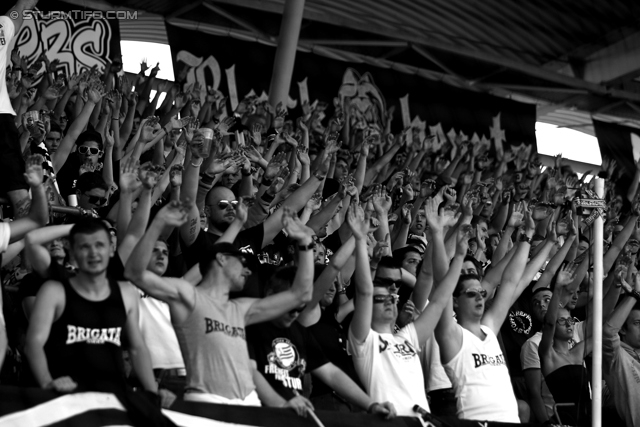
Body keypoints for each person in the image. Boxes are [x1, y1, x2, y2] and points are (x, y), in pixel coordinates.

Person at [125, 201, 315, 405]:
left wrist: (305, 245)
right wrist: (158, 223)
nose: (248, 271)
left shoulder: (241, 309)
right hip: (206, 402)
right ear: (222, 259)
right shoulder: (187, 296)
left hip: (249, 404)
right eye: (242, 263)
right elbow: (134, 273)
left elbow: (301, 294)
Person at [348, 199, 469, 417]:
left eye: (392, 297)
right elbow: (365, 291)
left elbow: (441, 297)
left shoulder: (407, 337)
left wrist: (456, 253)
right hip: (388, 422)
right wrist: (359, 240)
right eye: (380, 298)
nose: (389, 300)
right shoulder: (364, 340)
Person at [24, 219, 157, 395]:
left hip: (112, 398)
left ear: (111, 250)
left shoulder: (127, 293)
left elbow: (137, 347)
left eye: (99, 245)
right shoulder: (54, 291)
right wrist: (48, 383)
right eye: (85, 246)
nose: (93, 253)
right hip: (66, 397)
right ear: (72, 251)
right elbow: (33, 343)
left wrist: (152, 394)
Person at [247, 266, 395, 418]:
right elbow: (250, 372)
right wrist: (281, 404)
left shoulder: (299, 332)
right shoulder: (250, 327)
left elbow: (331, 373)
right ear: (271, 295)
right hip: (259, 416)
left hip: (292, 417)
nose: (296, 314)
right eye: (292, 308)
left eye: (301, 308)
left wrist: (371, 405)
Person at [435, 203, 534, 423]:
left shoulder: (489, 328)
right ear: (455, 302)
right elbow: (441, 281)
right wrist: (439, 234)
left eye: (481, 292)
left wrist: (527, 237)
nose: (480, 297)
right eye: (471, 294)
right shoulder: (452, 336)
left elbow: (509, 282)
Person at [538, 262, 591, 426]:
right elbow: (549, 324)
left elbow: (603, 328)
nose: (569, 324)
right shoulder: (547, 355)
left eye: (570, 320)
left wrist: (618, 286)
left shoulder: (578, 351)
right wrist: (558, 289)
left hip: (589, 419)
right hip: (564, 422)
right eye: (562, 321)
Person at [603, 274, 640, 427]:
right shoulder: (616, 355)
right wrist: (634, 296)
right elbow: (608, 332)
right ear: (623, 329)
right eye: (638, 323)